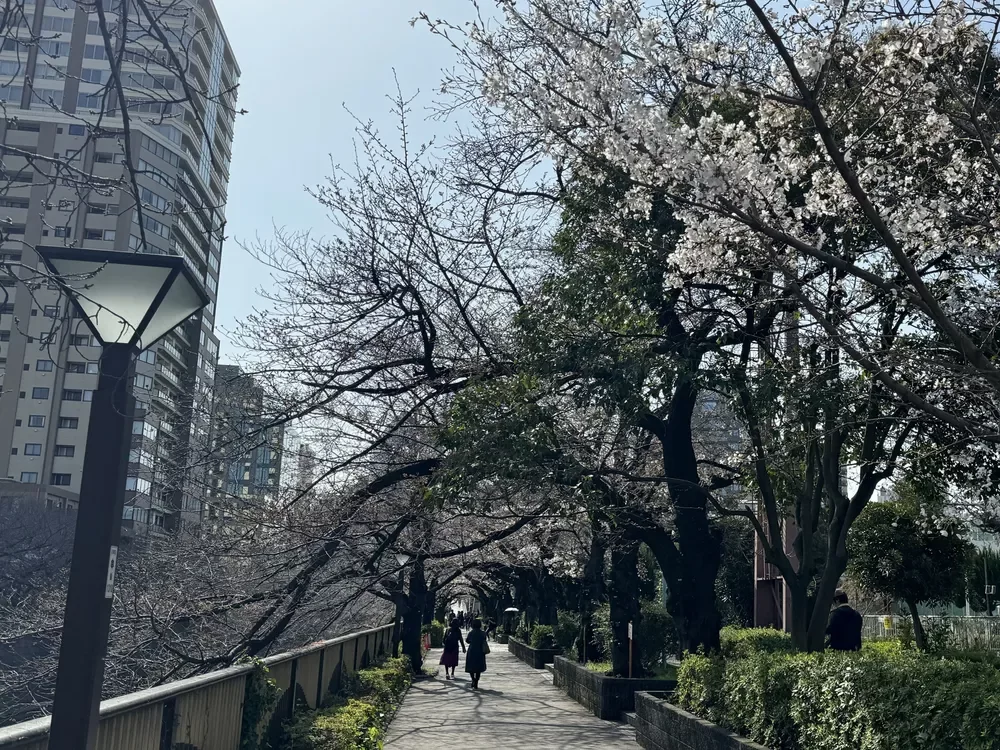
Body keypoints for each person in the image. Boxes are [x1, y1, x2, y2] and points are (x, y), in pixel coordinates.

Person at [465, 619, 488, 689]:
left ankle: (473, 679)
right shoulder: (483, 633)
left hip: (472, 651)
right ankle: (476, 681)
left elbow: (467, 640)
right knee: (478, 668)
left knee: (471, 667)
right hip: (480, 651)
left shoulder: (471, 633)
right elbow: (484, 639)